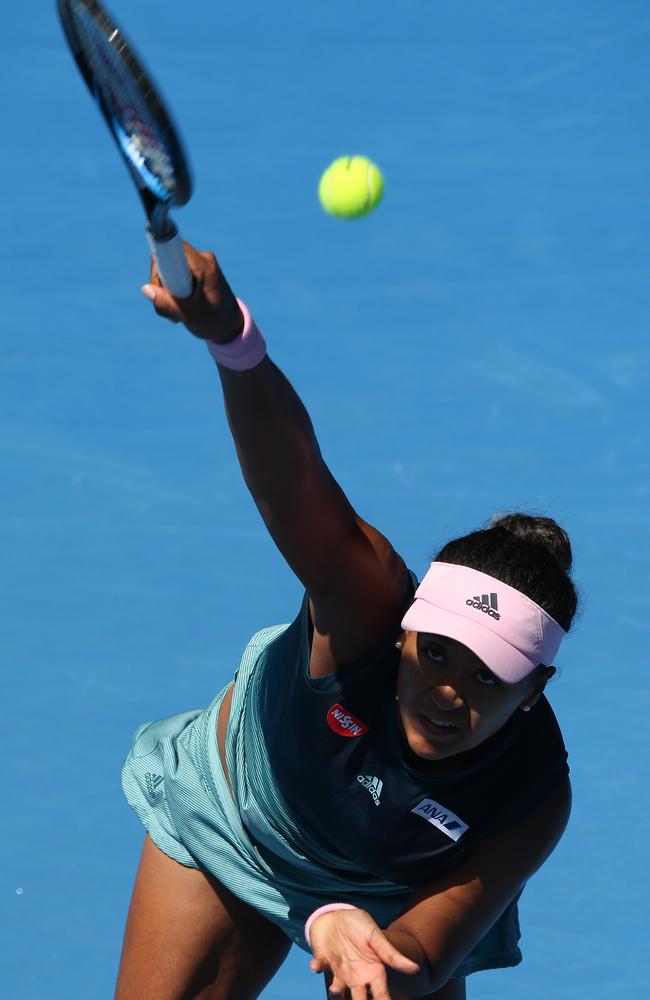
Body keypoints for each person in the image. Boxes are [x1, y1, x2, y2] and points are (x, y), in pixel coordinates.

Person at [115, 244, 575, 1000]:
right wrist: (232, 337)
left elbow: (420, 955)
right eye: (437, 654)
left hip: (394, 892)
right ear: (405, 631)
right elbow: (293, 478)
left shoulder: (532, 796)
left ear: (533, 691)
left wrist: (354, 935)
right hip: (240, 816)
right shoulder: (365, 604)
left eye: (488, 676)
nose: (448, 692)